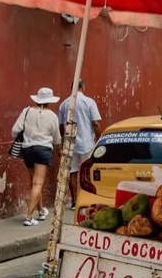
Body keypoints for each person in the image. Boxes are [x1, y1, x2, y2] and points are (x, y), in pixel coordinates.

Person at [11, 87, 61, 226]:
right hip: (43, 149)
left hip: (27, 149)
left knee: (33, 182)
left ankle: (40, 210)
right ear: (50, 101)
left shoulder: (26, 111)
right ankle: (29, 216)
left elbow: (15, 130)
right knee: (38, 183)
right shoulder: (52, 116)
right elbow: (57, 138)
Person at [58, 80, 102, 209]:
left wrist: (63, 140)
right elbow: (96, 124)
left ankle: (74, 202)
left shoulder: (64, 104)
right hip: (86, 143)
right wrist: (100, 140)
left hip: (70, 143)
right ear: (83, 87)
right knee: (88, 172)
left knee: (73, 172)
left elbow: (61, 126)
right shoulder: (89, 102)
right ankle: (88, 200)